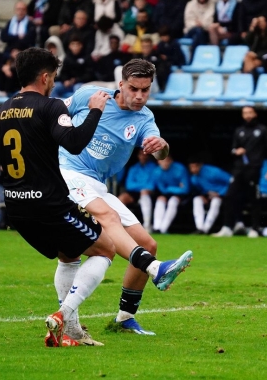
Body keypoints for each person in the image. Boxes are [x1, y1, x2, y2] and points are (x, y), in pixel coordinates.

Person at [0, 47, 116, 347]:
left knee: (69, 257)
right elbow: (74, 143)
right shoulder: (50, 107)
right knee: (106, 249)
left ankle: (72, 332)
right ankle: (63, 315)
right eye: (53, 77)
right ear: (44, 77)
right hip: (51, 205)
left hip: (16, 210)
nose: (54, 82)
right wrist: (95, 110)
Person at [58, 59, 193, 336]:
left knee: (148, 242)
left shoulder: (145, 119)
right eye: (134, 88)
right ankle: (155, 269)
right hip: (67, 173)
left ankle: (124, 318)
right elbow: (55, 112)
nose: (140, 96)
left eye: (146, 90)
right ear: (120, 84)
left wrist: (162, 147)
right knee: (101, 225)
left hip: (96, 184)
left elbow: (159, 153)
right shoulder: (91, 95)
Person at [212, 106, 267, 238]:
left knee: (254, 198)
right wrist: (237, 151)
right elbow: (233, 149)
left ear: (255, 113)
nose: (247, 115)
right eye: (245, 113)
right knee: (230, 195)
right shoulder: (239, 130)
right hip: (239, 168)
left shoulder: (263, 130)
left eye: (250, 112)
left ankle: (255, 228)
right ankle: (227, 227)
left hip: (254, 168)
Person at [188, 157, 230, 235]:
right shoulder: (194, 177)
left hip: (222, 196)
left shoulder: (214, 172)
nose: (193, 169)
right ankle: (199, 228)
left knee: (215, 202)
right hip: (208, 196)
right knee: (197, 199)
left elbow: (231, 181)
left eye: (195, 166)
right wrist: (202, 195)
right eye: (191, 167)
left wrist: (220, 193)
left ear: (200, 165)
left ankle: (205, 229)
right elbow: (198, 189)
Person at [119, 151, 157, 231]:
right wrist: (143, 186)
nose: (143, 157)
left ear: (148, 156)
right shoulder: (134, 168)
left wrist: (141, 187)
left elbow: (152, 185)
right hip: (135, 193)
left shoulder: (154, 167)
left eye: (145, 155)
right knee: (121, 198)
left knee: (144, 194)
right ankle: (120, 225)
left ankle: (147, 225)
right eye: (141, 155)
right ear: (138, 156)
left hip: (150, 193)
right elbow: (129, 185)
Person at [152, 155, 189, 234]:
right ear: (158, 162)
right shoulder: (156, 172)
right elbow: (162, 189)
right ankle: (157, 227)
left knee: (173, 201)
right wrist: (176, 188)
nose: (165, 163)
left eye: (167, 160)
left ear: (171, 160)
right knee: (160, 200)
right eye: (162, 161)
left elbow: (185, 190)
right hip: (166, 194)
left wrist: (169, 188)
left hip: (181, 196)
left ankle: (163, 229)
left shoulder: (180, 169)